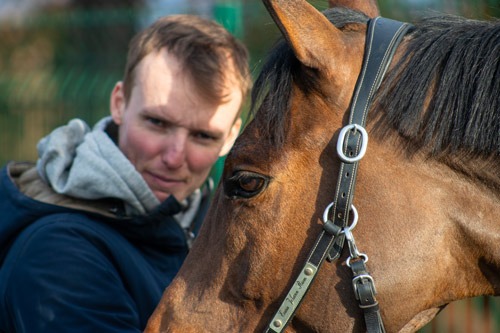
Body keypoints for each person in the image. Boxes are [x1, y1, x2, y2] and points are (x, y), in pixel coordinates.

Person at [0, 14, 251, 332]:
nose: (174, 157)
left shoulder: (212, 225)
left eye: (203, 136)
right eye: (157, 123)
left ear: (230, 137)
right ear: (119, 103)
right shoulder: (60, 253)